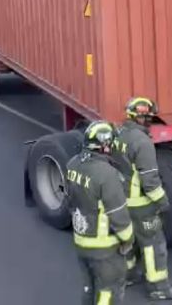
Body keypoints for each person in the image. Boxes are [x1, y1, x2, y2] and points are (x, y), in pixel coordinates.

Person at [111, 97, 172, 301]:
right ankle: (158, 287)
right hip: (140, 205)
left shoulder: (118, 133)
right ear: (143, 118)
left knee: (127, 241)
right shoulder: (142, 142)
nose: (151, 121)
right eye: (149, 117)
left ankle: (128, 276)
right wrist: (163, 202)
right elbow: (149, 180)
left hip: (120, 201)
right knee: (153, 245)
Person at [67, 121, 135, 305]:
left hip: (81, 242)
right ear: (104, 145)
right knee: (108, 291)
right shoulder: (107, 175)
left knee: (89, 288)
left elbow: (69, 200)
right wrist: (128, 241)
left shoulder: (72, 164)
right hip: (104, 249)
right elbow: (118, 215)